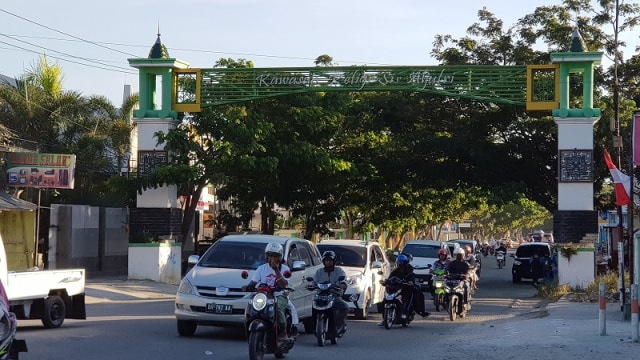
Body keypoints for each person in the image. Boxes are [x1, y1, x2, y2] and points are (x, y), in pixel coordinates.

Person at [242, 242, 295, 343]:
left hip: (279, 295)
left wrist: (276, 271)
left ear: (280, 257)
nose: (272, 259)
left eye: (275, 256)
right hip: (263, 296)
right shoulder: (262, 268)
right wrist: (248, 287)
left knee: (278, 308)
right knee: (252, 306)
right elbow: (253, 282)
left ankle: (283, 332)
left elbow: (284, 284)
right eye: (270, 256)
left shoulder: (285, 269)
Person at [377, 254, 430, 326]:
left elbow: (412, 278)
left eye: (402, 262)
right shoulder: (396, 271)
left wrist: (410, 282)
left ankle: (414, 311)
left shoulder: (409, 271)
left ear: (405, 263)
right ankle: (384, 319)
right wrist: (385, 282)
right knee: (384, 301)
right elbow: (390, 278)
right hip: (396, 288)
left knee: (415, 295)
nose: (400, 264)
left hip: (406, 289)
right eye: (399, 262)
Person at [312, 250, 350, 338]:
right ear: (323, 261)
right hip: (320, 296)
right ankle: (314, 327)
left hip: (334, 295)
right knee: (313, 307)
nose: (328, 262)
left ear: (334, 261)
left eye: (330, 260)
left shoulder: (339, 271)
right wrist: (310, 286)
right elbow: (314, 282)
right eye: (326, 260)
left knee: (345, 307)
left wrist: (342, 285)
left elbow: (344, 280)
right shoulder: (319, 272)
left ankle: (339, 324)